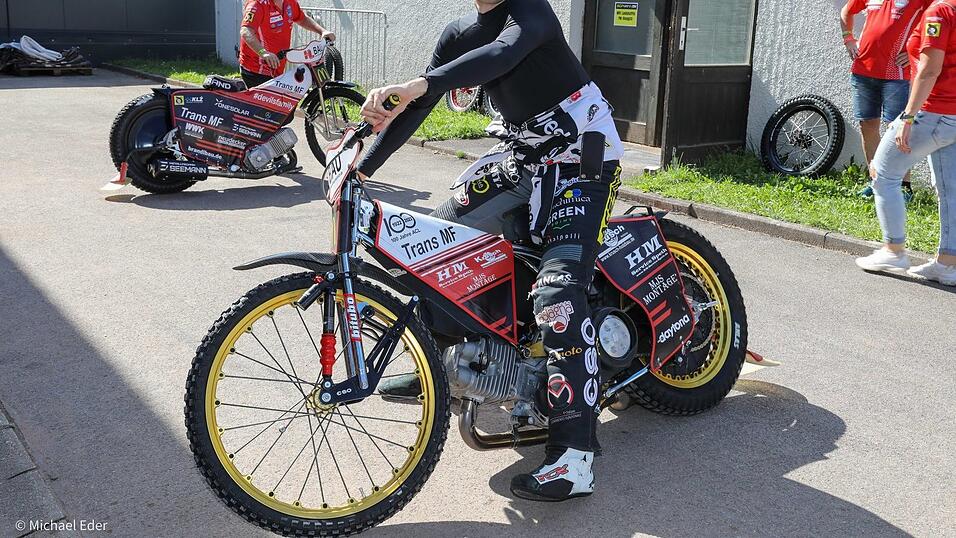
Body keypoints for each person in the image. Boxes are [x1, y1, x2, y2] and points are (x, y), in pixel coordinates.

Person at [358, 0, 624, 502]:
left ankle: (574, 459)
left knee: (557, 296)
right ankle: (437, 367)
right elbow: (419, 106)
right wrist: (362, 167)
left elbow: (502, 54)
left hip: (580, 155)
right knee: (429, 248)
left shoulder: (531, 11)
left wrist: (418, 84)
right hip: (521, 157)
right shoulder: (458, 33)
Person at [856, 0, 956, 286]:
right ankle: (948, 265)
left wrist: (908, 117)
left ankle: (893, 250)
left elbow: (929, 69)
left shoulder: (940, 11)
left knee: (882, 172)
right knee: (950, 190)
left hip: (933, 112)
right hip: (953, 115)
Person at [841, 0, 932, 201]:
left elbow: (934, 22)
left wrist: (916, 49)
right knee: (867, 126)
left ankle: (904, 187)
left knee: (898, 130)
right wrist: (848, 38)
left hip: (896, 76)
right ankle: (876, 182)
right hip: (862, 71)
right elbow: (846, 11)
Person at [238, 0, 334, 88]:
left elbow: (302, 19)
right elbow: (246, 31)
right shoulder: (257, 4)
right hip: (257, 68)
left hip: (276, 66)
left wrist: (322, 31)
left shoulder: (290, 2)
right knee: (273, 100)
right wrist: (263, 53)